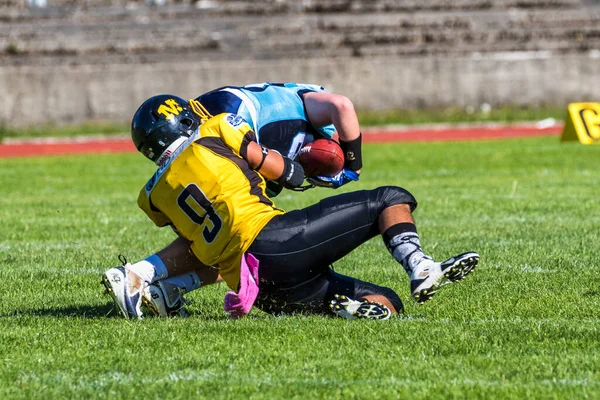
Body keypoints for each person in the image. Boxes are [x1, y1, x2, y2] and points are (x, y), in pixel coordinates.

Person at [102, 94, 479, 320]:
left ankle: (346, 312)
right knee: (391, 198)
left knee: (386, 300)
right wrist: (303, 173)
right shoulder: (214, 128)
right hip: (275, 243)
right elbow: (278, 167)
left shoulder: (151, 197)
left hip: (259, 288)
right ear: (182, 117)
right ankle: (420, 266)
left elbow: (197, 245)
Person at [104, 83, 366, 317]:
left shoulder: (152, 190)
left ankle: (167, 287)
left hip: (203, 163)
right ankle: (138, 275)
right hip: (235, 139)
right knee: (240, 234)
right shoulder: (239, 115)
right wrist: (350, 167)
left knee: (221, 237)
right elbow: (340, 105)